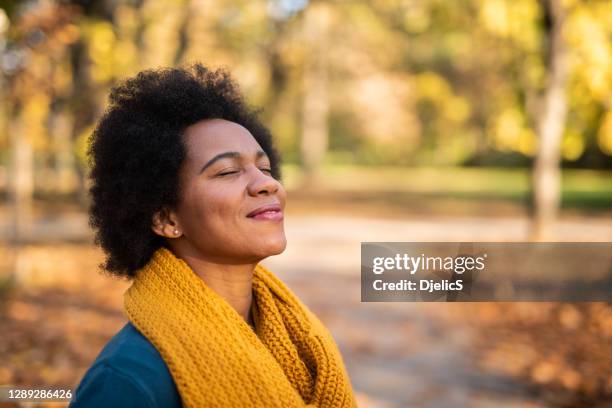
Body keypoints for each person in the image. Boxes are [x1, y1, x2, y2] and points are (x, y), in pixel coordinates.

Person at [69, 63, 357, 408]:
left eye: (264, 168)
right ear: (165, 218)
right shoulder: (129, 380)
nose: (267, 183)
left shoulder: (298, 339)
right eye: (228, 171)